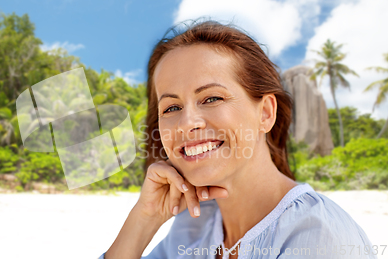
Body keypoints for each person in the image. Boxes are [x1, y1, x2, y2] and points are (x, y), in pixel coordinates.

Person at [99, 21, 376, 259]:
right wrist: (144, 219)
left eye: (212, 98)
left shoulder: (318, 239)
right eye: (171, 107)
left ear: (265, 113)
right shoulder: (194, 225)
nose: (187, 123)